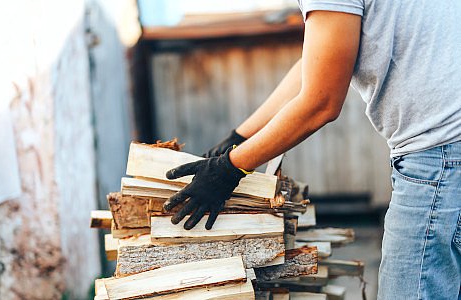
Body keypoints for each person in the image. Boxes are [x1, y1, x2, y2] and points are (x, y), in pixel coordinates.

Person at [163, 1, 461, 299]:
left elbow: (321, 103)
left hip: (441, 157)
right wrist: (240, 136)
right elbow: (314, 64)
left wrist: (230, 168)